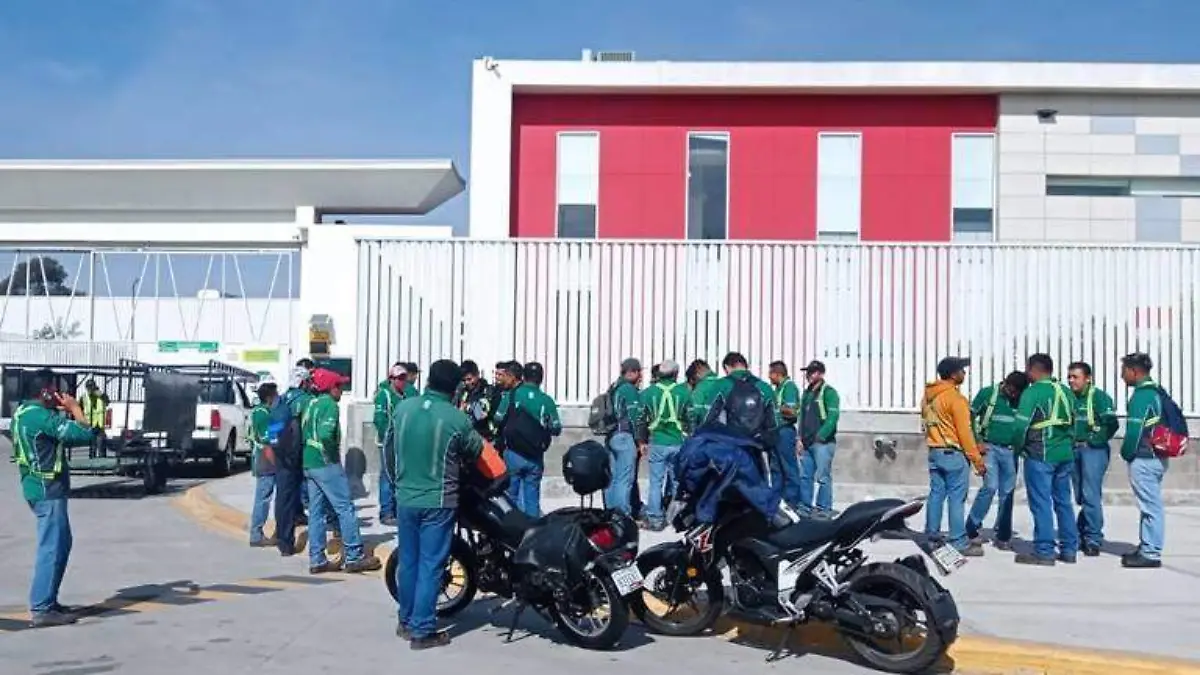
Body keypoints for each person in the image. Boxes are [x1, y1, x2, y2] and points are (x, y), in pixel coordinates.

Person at [392, 359, 487, 650]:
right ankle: (423, 630)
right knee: (432, 565)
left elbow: (387, 452)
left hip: (405, 497)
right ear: (454, 385)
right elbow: (475, 449)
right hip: (438, 500)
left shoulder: (403, 409)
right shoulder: (455, 418)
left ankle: (406, 621)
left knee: (408, 561)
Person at [12, 369, 97, 627]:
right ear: (45, 392)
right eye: (55, 388)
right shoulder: (42, 417)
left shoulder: (22, 413)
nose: (60, 393)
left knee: (61, 543)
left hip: (36, 487)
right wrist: (75, 409)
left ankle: (49, 599)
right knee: (52, 546)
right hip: (47, 489)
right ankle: (42, 607)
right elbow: (84, 434)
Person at [301, 368, 382, 574]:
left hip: (310, 462)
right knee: (345, 508)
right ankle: (354, 556)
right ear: (330, 387)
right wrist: (332, 458)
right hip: (325, 462)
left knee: (316, 512)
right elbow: (327, 434)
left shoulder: (311, 404)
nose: (342, 390)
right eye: (339, 386)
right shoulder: (330, 406)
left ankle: (317, 559)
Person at [1012, 353, 1080, 566]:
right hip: (1065, 454)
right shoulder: (1067, 392)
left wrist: (1018, 448)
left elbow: (1020, 427)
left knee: (1041, 503)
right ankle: (1069, 549)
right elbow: (1075, 425)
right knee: (1064, 503)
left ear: (1034, 370)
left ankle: (1044, 551)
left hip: (1041, 454)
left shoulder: (1032, 393)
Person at [922, 357, 987, 556]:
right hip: (953, 453)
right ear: (953, 375)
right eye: (962, 370)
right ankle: (959, 541)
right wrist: (977, 460)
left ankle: (931, 536)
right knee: (956, 499)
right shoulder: (955, 399)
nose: (964, 374)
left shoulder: (928, 396)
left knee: (936, 495)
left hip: (935, 451)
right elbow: (965, 434)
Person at [966, 371, 1028, 550]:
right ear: (1005, 384)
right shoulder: (988, 394)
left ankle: (1003, 534)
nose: (1014, 395)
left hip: (1011, 451)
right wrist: (977, 441)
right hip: (990, 448)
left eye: (1018, 393)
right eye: (1012, 390)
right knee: (990, 486)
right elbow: (970, 417)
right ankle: (971, 527)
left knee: (1007, 492)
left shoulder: (1022, 399)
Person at [1118, 353, 1169, 569]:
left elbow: (1133, 432)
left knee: (1150, 506)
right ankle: (1146, 545)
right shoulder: (1158, 391)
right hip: (1158, 457)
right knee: (1149, 504)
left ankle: (1151, 553)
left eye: (1124, 371)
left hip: (1145, 458)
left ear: (1135, 371)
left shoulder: (1141, 396)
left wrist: (1126, 453)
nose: (1122, 376)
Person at [493, 361, 562, 516]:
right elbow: (556, 428)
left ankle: (511, 532)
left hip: (513, 453)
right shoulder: (547, 400)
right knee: (532, 499)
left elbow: (498, 418)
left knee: (510, 497)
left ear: (523, 376)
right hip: (535, 455)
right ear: (541, 378)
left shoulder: (512, 395)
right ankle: (532, 532)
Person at [1067, 361, 1119, 557]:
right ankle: (1084, 529)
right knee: (1080, 494)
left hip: (1092, 451)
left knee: (1090, 495)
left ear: (1087, 379)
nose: (1071, 381)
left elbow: (1111, 424)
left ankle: (1093, 539)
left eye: (1076, 377)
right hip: (1073, 450)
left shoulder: (1099, 398)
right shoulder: (1069, 397)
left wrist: (1095, 439)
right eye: (1069, 376)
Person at [640, 359, 690, 530]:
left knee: (655, 481)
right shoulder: (684, 392)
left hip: (657, 441)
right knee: (677, 480)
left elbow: (641, 419)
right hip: (678, 441)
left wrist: (642, 441)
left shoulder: (648, 393)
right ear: (676, 374)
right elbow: (690, 418)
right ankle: (676, 516)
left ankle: (654, 518)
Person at [273, 367, 313, 556]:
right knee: (305, 496)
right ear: (303, 382)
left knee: (283, 497)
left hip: (281, 455)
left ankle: (282, 539)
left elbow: (271, 431)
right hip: (299, 454)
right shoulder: (306, 400)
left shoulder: (280, 400)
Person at [604, 358, 648, 516]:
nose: (641, 376)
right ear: (632, 372)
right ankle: (622, 515)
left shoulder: (614, 387)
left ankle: (610, 512)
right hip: (624, 436)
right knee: (625, 479)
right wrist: (641, 440)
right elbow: (636, 417)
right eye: (639, 372)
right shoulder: (629, 390)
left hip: (612, 436)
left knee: (613, 478)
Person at [799, 360, 840, 516]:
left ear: (821, 374)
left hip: (822, 443)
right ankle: (804, 508)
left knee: (823, 477)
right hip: (806, 442)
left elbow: (833, 416)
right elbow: (802, 417)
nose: (809, 375)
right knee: (805, 476)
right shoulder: (807, 393)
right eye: (808, 372)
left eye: (813, 372)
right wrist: (799, 439)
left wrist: (821, 436)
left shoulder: (829, 392)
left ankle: (824, 509)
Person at [373, 363, 409, 527]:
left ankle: (395, 509)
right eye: (399, 378)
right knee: (387, 475)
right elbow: (379, 419)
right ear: (391, 379)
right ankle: (386, 511)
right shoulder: (384, 395)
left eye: (404, 378)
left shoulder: (405, 396)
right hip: (387, 443)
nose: (402, 381)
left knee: (397, 475)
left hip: (402, 443)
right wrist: (389, 436)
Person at [767, 361, 804, 510]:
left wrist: (775, 408)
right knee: (776, 469)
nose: (769, 378)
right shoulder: (778, 389)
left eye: (771, 374)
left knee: (789, 469)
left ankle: (792, 503)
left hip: (784, 432)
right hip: (775, 433)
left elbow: (792, 411)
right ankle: (778, 503)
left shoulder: (789, 387)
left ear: (777, 374)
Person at [248, 377, 279, 547]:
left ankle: (257, 532)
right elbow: (267, 443)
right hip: (266, 461)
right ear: (269, 396)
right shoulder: (262, 414)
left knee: (264, 497)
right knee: (263, 498)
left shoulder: (263, 412)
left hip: (265, 460)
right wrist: (277, 464)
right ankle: (256, 533)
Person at [455, 360, 501, 440]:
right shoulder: (462, 392)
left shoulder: (489, 391)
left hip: (486, 437)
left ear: (477, 375)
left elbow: (482, 414)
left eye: (469, 379)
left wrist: (467, 407)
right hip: (466, 438)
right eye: (464, 380)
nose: (467, 383)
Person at [685, 359, 719, 428]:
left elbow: (694, 412)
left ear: (697, 374)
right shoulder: (722, 383)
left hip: (705, 430)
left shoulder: (702, 387)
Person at [79, 379, 108, 459]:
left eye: (92, 387)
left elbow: (107, 401)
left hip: (100, 425)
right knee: (92, 447)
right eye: (88, 388)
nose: (90, 390)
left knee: (101, 446)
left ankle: (103, 465)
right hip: (89, 425)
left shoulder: (101, 396)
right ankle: (92, 464)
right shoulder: (84, 397)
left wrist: (101, 394)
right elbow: (79, 409)